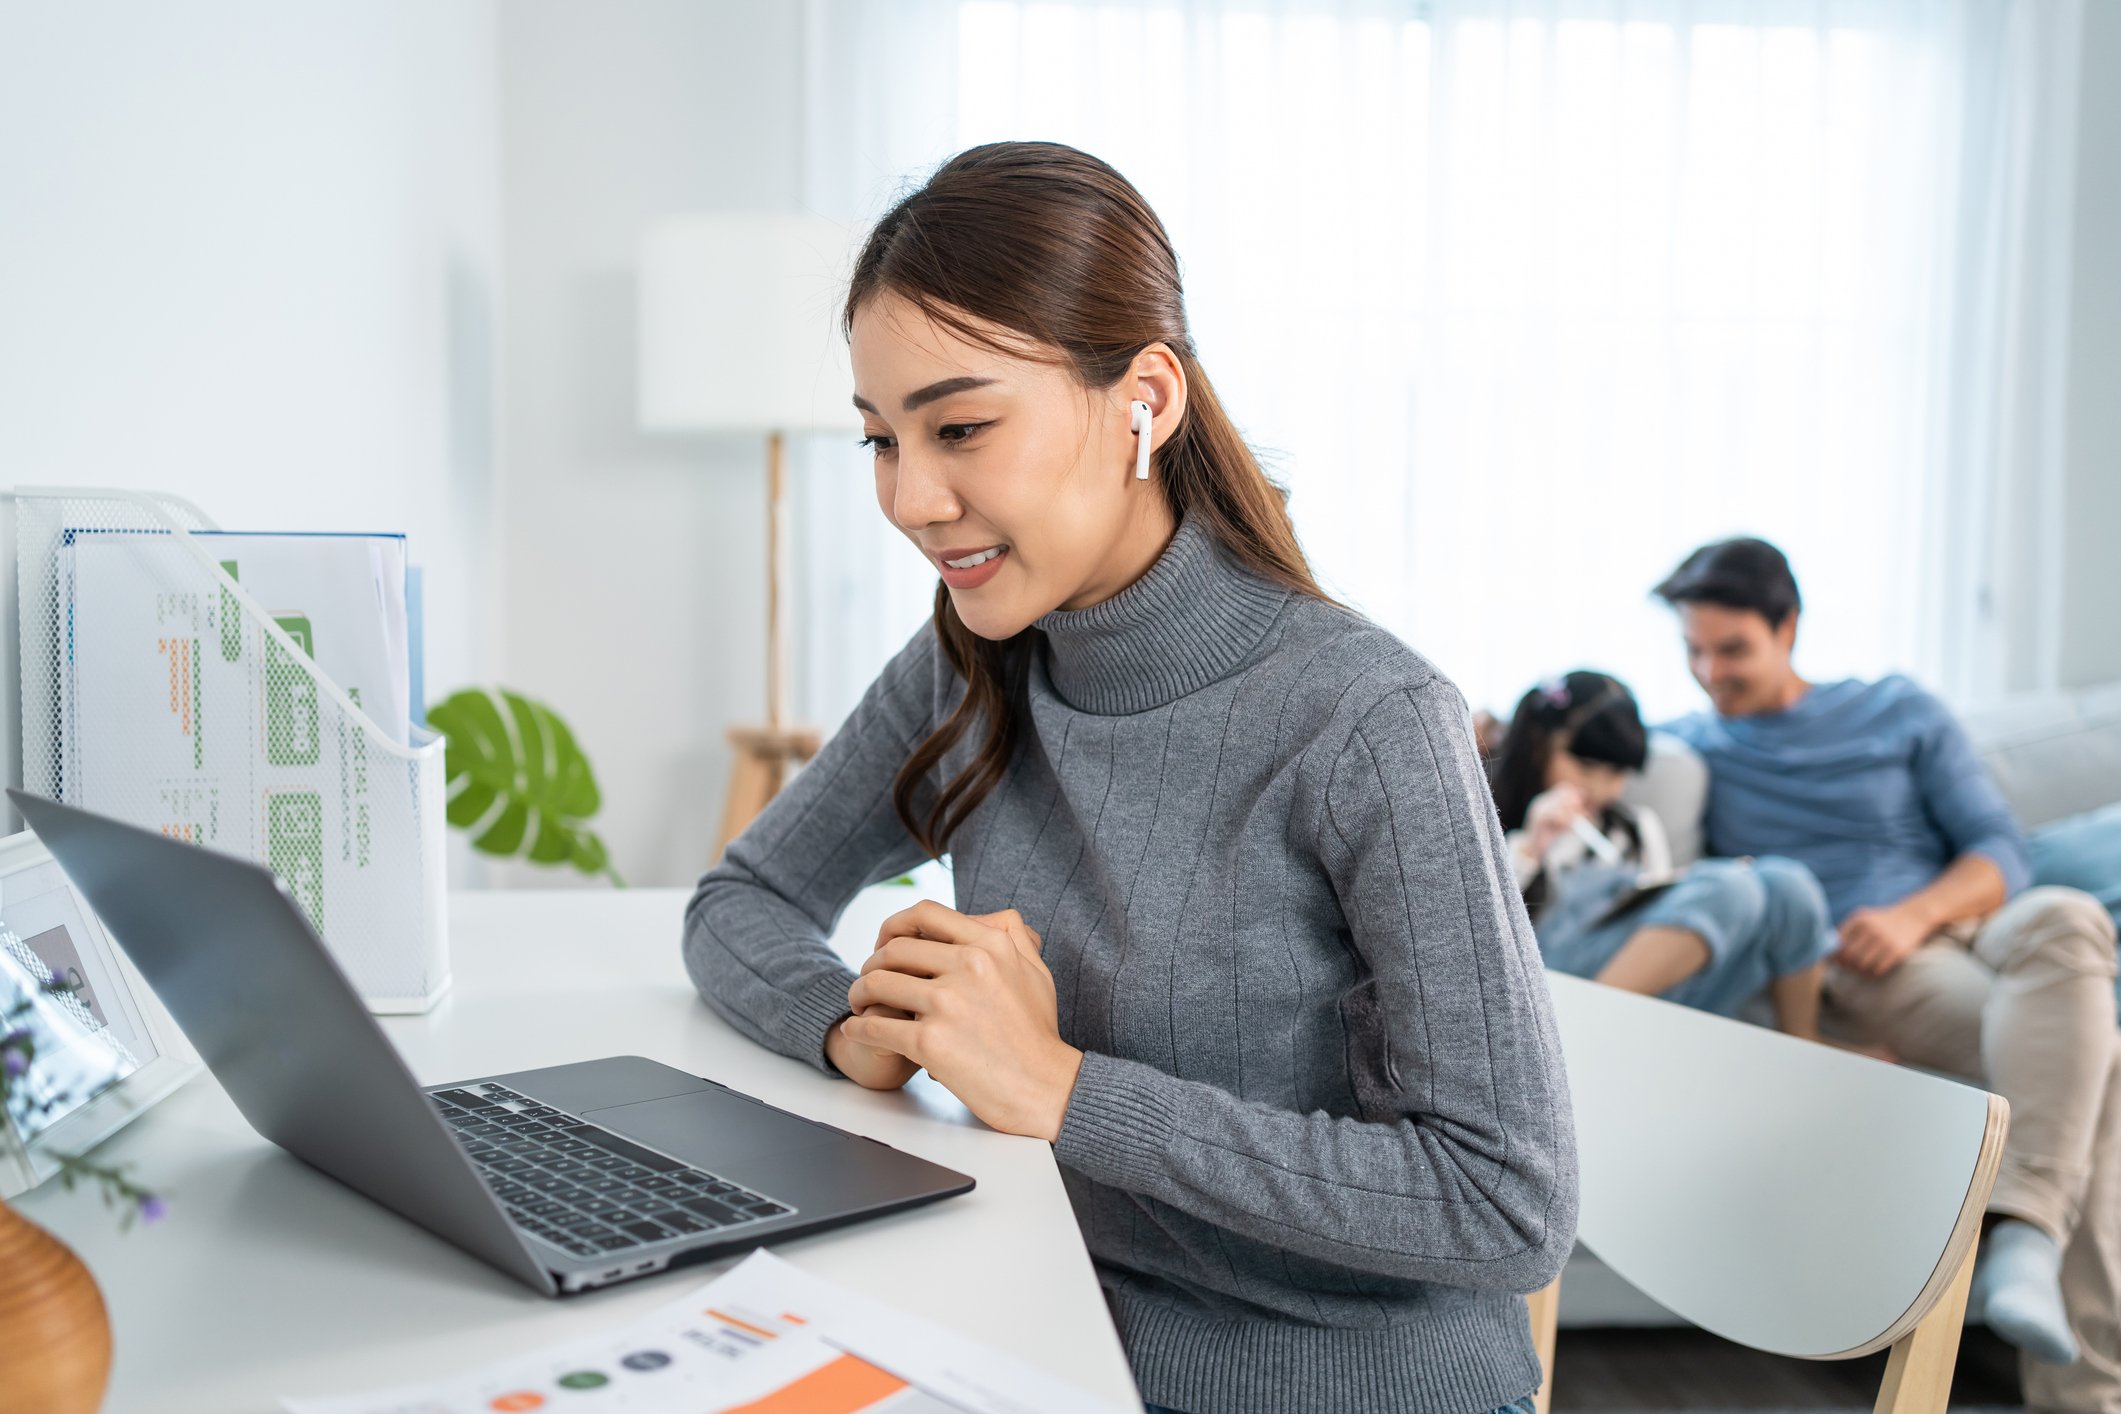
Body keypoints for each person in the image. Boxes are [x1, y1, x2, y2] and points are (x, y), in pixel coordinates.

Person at [683, 142, 1575, 1414]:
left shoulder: (1368, 720)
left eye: (963, 428)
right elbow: (742, 900)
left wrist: (1064, 1090)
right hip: (1039, 1333)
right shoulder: (970, 660)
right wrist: (852, 1028)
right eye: (881, 440)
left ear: (1143, 397)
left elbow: (1501, 1201)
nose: (913, 498)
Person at [1655, 537, 2120, 1413]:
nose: (1709, 674)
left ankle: (2023, 1222)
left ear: (1787, 626)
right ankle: (2082, 1390)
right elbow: (1575, 740)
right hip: (1854, 966)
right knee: (2102, 1062)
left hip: (1953, 925)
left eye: (1731, 650)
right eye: (1692, 652)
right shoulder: (1694, 745)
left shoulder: (1895, 708)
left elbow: (1997, 850)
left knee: (2069, 916)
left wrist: (1915, 915)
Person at [1487, 670, 1830, 1034]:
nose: (1599, 788)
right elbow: (1486, 936)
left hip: (1640, 982)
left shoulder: (1636, 828)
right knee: (1730, 890)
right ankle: (1576, 1037)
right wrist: (1530, 847)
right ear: (1540, 748)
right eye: (1586, 766)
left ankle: (1805, 1047)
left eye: (1616, 772)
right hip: (1553, 976)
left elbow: (1663, 912)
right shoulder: (1498, 824)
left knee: (1789, 885)